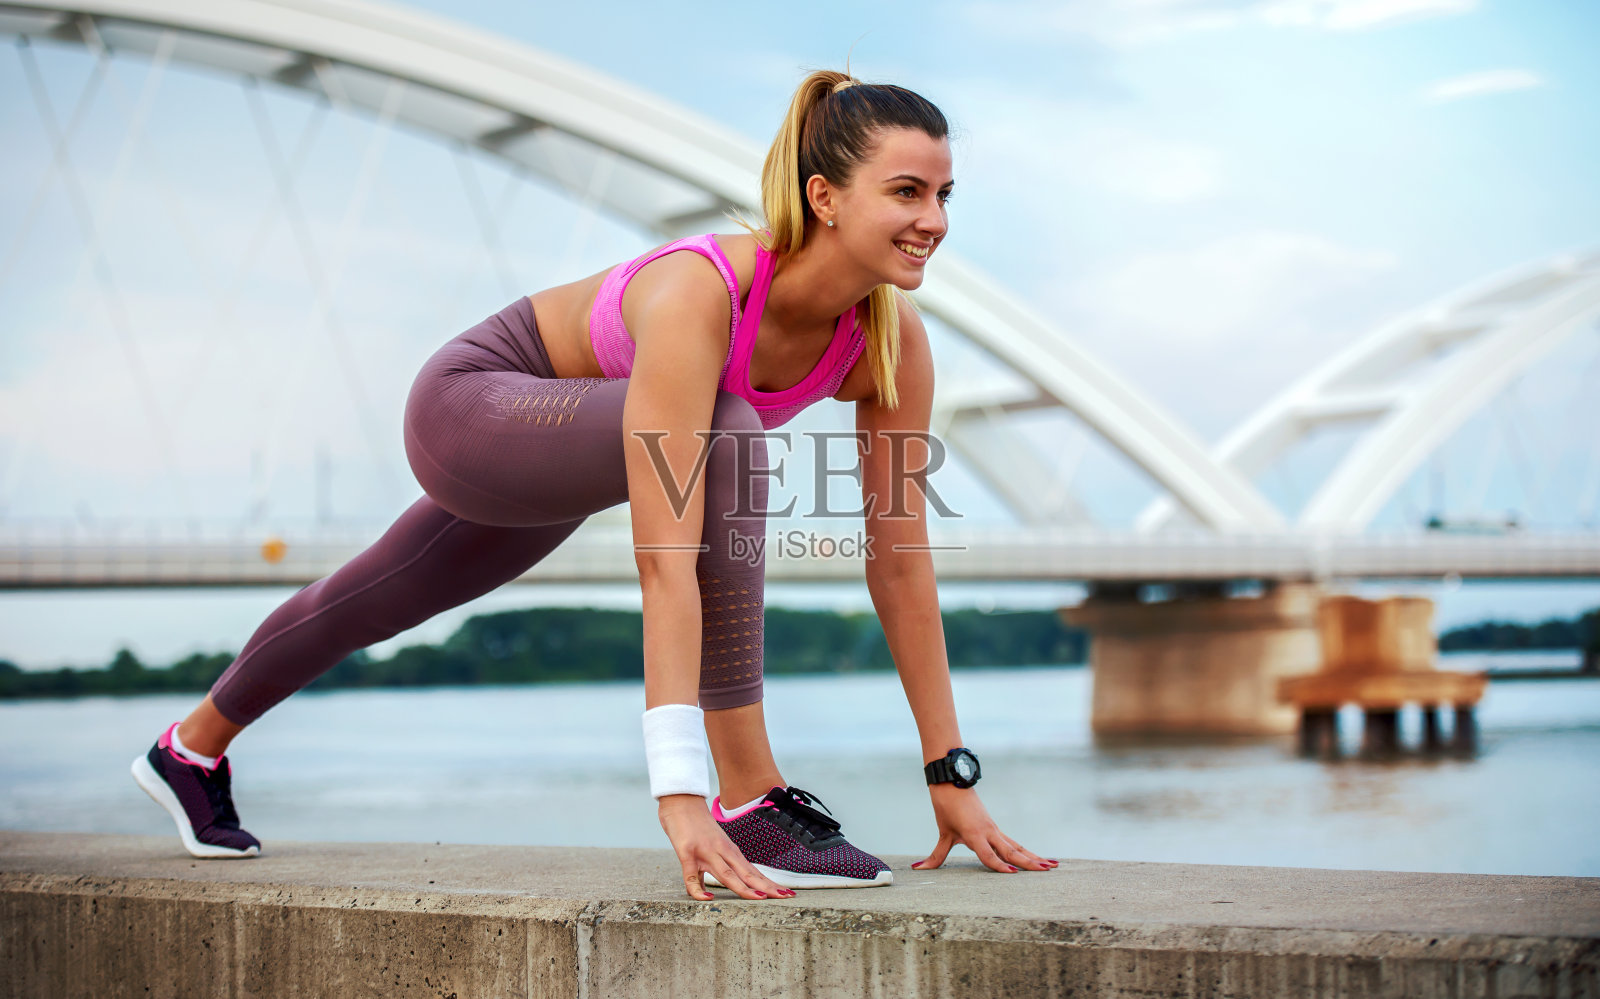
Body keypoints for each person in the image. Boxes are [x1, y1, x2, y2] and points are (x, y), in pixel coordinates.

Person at [131, 69, 1059, 902]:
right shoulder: (706, 293)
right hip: (480, 405)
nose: (932, 218)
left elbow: (898, 562)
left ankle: (188, 748)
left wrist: (952, 771)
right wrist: (679, 796)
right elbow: (667, 561)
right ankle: (750, 797)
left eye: (942, 193)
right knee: (733, 430)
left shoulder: (891, 344)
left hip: (586, 442)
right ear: (824, 197)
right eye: (905, 191)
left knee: (381, 592)